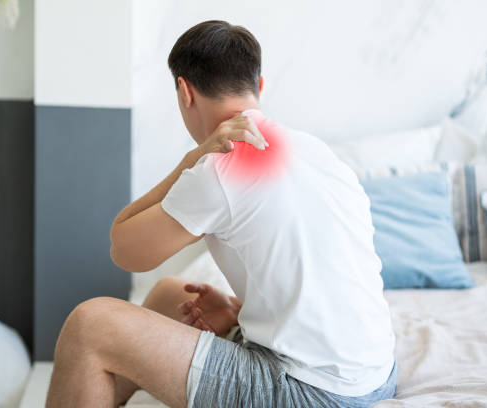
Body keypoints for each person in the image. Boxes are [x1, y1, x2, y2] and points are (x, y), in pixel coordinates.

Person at [46, 20, 397, 408]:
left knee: (89, 325)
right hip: (376, 376)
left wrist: (195, 157)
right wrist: (237, 310)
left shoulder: (224, 165)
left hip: (312, 393)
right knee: (168, 295)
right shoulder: (314, 151)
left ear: (185, 92)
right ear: (259, 85)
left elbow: (123, 249)